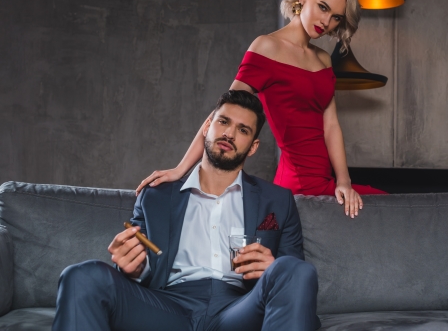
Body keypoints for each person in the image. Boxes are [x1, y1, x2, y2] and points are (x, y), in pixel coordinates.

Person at [52, 90, 320, 331]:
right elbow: (142, 264)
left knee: (296, 271)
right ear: (207, 127)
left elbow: (293, 270)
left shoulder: (278, 200)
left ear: (253, 147)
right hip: (167, 307)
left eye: (243, 130)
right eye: (223, 122)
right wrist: (133, 268)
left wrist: (272, 269)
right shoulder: (155, 196)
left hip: (240, 308)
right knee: (83, 276)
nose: (229, 133)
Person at [136, 0, 386, 219]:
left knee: (390, 208)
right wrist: (180, 169)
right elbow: (224, 112)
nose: (326, 21)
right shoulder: (267, 47)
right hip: (298, 184)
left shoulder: (323, 59)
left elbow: (331, 125)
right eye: (323, 7)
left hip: (327, 182)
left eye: (336, 17)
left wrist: (344, 181)